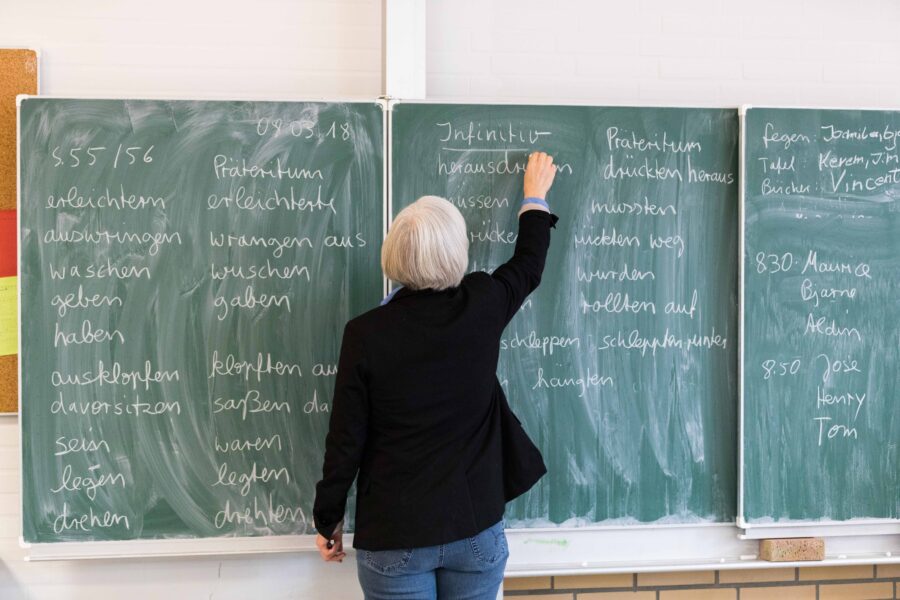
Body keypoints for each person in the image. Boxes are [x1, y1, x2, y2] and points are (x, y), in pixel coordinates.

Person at [313, 152, 559, 599]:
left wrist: (327, 519)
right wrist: (534, 196)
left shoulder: (365, 334)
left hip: (395, 535)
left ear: (394, 254)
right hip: (475, 529)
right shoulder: (483, 304)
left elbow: (345, 440)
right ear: (456, 250)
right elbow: (528, 264)